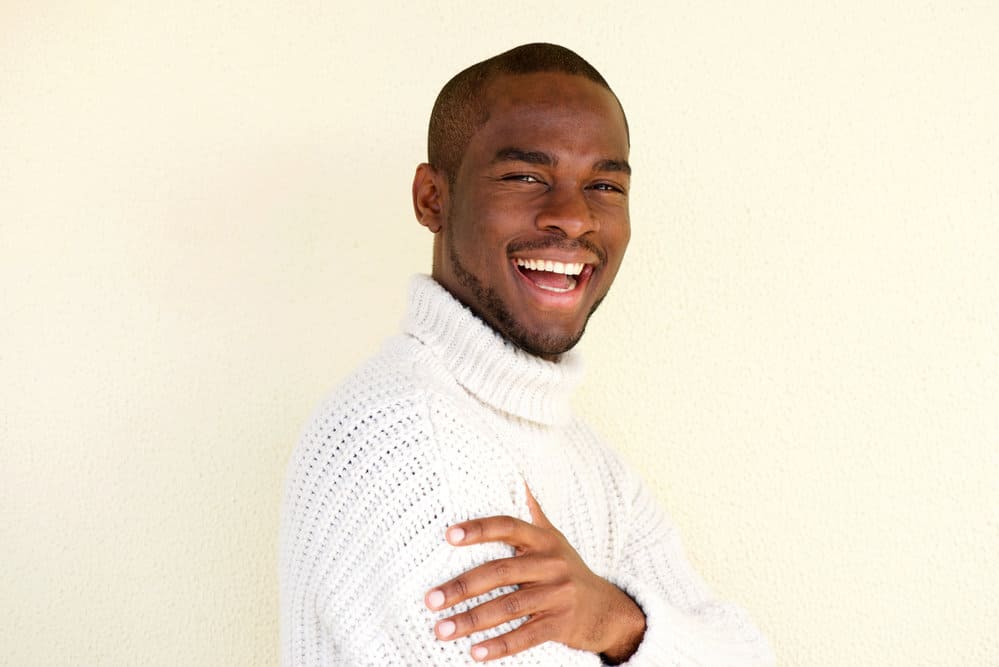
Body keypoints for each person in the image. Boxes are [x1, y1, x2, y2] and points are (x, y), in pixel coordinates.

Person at [279, 43, 773, 665]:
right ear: (433, 198)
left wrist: (616, 622)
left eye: (603, 184)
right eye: (525, 176)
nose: (572, 218)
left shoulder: (591, 464)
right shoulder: (403, 441)